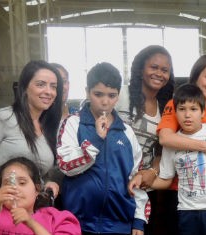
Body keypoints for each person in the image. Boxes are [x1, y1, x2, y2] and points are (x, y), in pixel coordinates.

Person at [129, 84, 206, 235]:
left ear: (202, 112)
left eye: (193, 109)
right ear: (175, 111)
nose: (187, 115)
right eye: (182, 109)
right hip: (187, 212)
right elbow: (166, 180)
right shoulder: (172, 143)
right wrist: (141, 179)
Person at [56, 62, 147, 235]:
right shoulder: (73, 123)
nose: (105, 101)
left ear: (118, 95)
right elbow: (65, 165)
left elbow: (136, 178)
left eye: (112, 95)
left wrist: (138, 221)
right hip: (77, 224)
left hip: (119, 225)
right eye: (98, 94)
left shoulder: (126, 132)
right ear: (87, 92)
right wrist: (96, 139)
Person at [0, 60, 64, 218]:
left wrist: (49, 183)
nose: (49, 91)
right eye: (41, 84)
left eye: (53, 86)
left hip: (37, 211)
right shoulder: (5, 117)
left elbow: (39, 172)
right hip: (8, 208)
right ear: (25, 87)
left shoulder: (51, 126)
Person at [115, 45, 175, 234]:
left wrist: (152, 171)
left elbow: (161, 149)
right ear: (141, 69)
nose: (159, 73)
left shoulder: (165, 107)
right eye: (154, 67)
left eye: (164, 70)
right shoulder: (120, 95)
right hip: (113, 185)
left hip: (143, 191)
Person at [0, 157, 81, 235]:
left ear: (37, 189)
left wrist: (31, 223)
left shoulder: (56, 219)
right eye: (7, 183)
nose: (15, 188)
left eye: (22, 183)